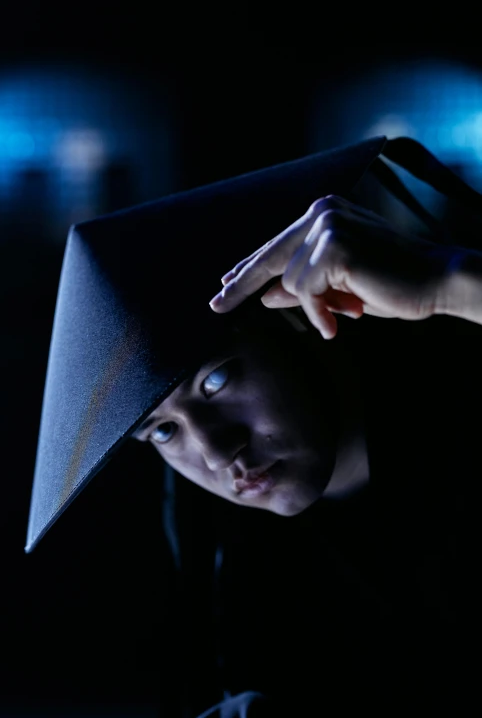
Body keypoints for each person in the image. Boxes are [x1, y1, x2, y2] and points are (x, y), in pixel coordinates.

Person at [25, 135, 482, 713]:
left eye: (216, 381)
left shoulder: (461, 415)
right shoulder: (233, 568)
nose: (217, 451)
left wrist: (451, 284)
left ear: (294, 319)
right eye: (162, 432)